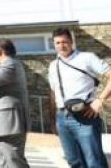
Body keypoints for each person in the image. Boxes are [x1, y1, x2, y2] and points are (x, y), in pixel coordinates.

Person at [48, 27, 111, 167]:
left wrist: (99, 100)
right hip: (62, 118)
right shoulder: (53, 65)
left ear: (71, 42)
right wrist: (54, 120)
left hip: (85, 116)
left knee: (94, 162)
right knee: (73, 161)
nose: (61, 46)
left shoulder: (86, 58)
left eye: (64, 42)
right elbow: (54, 93)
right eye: (57, 43)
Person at [0, 38, 30, 168]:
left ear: (0, 51)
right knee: (4, 161)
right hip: (4, 124)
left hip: (9, 123)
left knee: (14, 161)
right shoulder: (7, 65)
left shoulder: (10, 65)